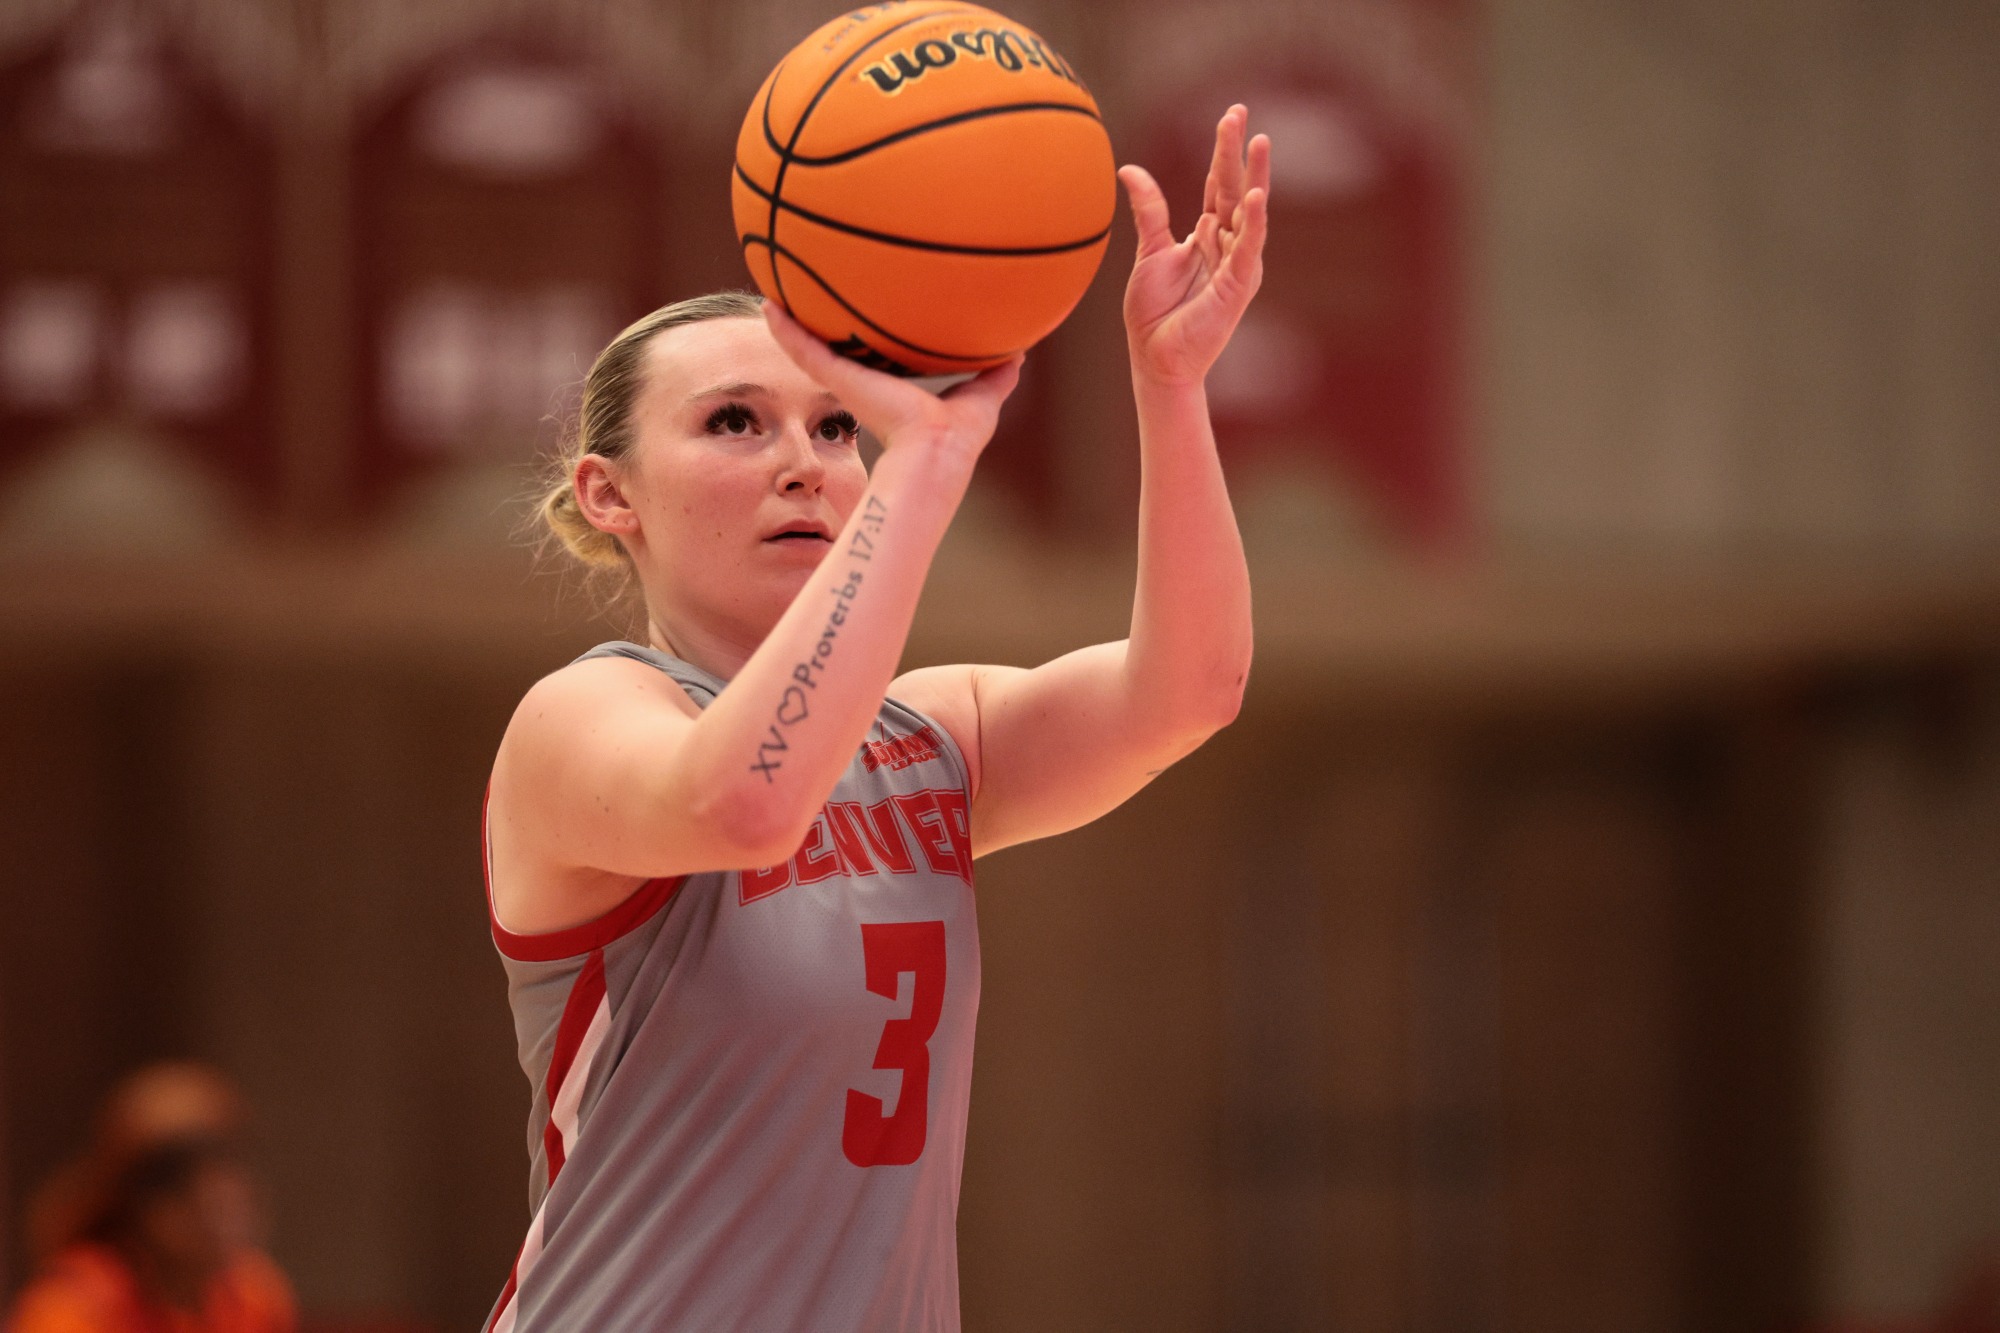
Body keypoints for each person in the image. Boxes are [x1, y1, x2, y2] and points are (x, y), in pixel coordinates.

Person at [480, 106, 1269, 1332]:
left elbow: (1191, 689)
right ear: (607, 493)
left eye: (837, 424)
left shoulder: (929, 739)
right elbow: (744, 797)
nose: (804, 460)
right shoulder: (580, 717)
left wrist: (1168, 387)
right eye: (734, 421)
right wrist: (922, 461)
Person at [6, 1063, 295, 1333]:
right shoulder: (73, 1307)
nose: (239, 1211)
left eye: (240, 1187)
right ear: (154, 1210)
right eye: (215, 1206)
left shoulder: (251, 1296)